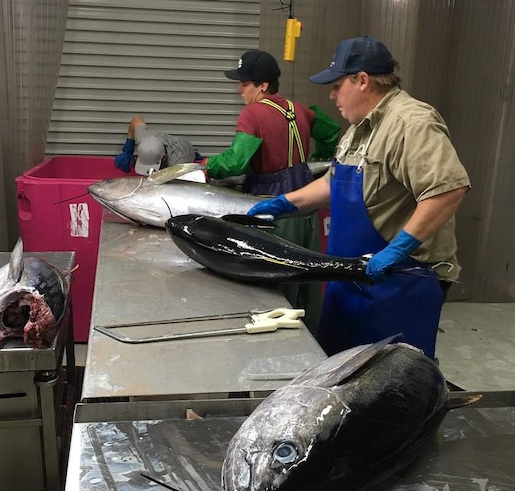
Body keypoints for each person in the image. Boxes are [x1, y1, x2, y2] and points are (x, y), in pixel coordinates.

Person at [248, 36, 470, 359]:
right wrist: (284, 204)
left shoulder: (411, 123)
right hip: (349, 282)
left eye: (338, 85)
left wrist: (396, 252)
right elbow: (334, 181)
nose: (332, 94)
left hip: (397, 285)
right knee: (336, 377)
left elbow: (448, 190)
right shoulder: (357, 129)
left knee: (387, 386)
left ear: (362, 80)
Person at [206, 49, 341, 331]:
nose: (239, 89)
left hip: (273, 211)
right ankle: (312, 345)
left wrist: (208, 165)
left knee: (273, 287)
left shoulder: (252, 114)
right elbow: (331, 134)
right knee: (307, 281)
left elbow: (235, 162)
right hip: (307, 206)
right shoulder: (299, 109)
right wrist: (318, 163)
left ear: (263, 85)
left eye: (245, 83)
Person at [114, 115, 198, 176]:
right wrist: (128, 150)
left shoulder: (177, 165)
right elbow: (136, 119)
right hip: (164, 141)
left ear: (164, 158)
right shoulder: (143, 137)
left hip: (186, 149)